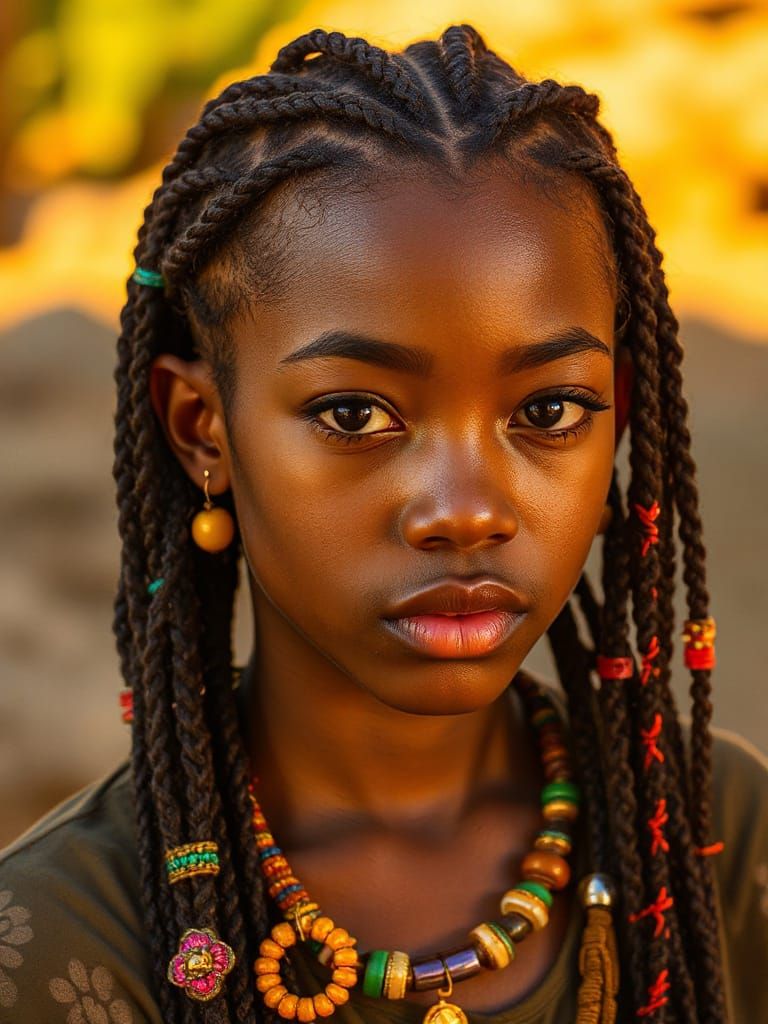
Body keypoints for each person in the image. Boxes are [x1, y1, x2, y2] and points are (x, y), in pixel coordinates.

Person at [0, 21, 766, 1024]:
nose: (468, 510)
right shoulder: (54, 946)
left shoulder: (712, 831)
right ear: (204, 431)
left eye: (547, 411)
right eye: (355, 414)